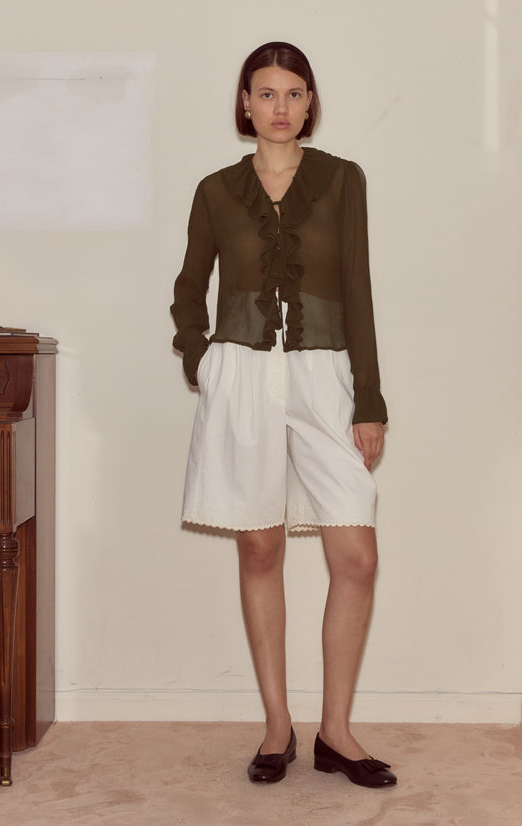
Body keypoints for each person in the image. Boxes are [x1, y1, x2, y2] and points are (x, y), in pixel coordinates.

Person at [171, 41, 395, 789]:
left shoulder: (341, 181)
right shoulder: (213, 190)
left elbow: (358, 288)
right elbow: (188, 285)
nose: (279, 107)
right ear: (245, 103)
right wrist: (197, 356)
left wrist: (368, 397)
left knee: (354, 555)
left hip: (325, 374)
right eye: (265, 93)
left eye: (293, 93)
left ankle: (336, 731)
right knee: (260, 550)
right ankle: (277, 728)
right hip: (241, 376)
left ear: (309, 101)